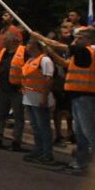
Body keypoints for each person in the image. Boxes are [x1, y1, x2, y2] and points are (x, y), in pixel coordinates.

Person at [34, 27, 95, 173]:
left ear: (89, 40)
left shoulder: (85, 51)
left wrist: (40, 36)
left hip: (86, 97)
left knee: (89, 132)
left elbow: (60, 45)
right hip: (78, 96)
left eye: (80, 38)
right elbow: (65, 64)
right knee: (80, 133)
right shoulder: (80, 55)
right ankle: (81, 162)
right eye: (76, 38)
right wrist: (51, 52)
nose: (76, 40)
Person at [20, 37, 56, 165]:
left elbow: (49, 79)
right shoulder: (30, 60)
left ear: (36, 45)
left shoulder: (44, 60)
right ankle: (38, 149)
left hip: (39, 97)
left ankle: (47, 153)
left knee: (43, 126)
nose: (26, 45)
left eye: (29, 43)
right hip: (29, 98)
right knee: (35, 126)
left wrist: (44, 97)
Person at [0, 31, 26, 151]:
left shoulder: (23, 52)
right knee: (0, 115)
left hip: (17, 90)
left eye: (5, 40)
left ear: (12, 41)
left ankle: (16, 141)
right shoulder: (3, 52)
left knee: (18, 117)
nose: (2, 42)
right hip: (3, 88)